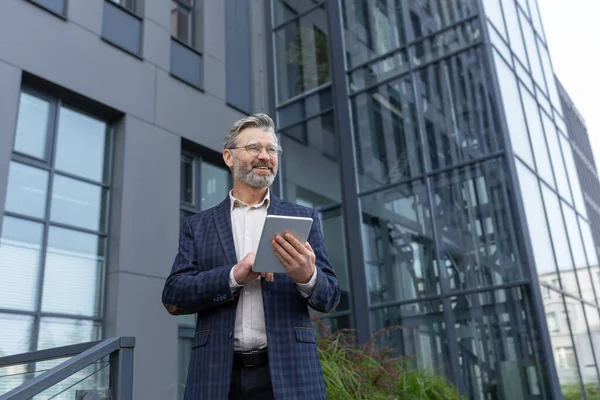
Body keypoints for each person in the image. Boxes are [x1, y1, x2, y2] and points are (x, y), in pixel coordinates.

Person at [162, 113, 340, 399]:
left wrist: (308, 276)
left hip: (290, 373)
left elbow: (330, 298)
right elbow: (173, 297)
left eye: (271, 150)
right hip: (217, 374)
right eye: (254, 147)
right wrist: (234, 276)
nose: (265, 156)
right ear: (229, 157)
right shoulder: (199, 225)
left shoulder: (302, 217)